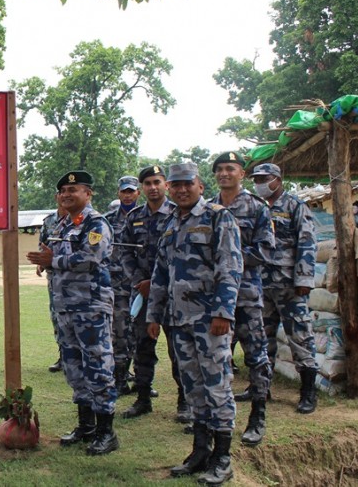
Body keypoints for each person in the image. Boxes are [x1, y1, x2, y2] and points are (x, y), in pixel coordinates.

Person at [147, 163, 242, 484]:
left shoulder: (218, 217)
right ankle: (200, 451)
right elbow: (160, 273)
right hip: (178, 322)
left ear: (200, 186)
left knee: (217, 385)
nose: (181, 189)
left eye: (187, 184)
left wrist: (223, 313)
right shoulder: (171, 224)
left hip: (209, 321)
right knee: (192, 387)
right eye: (176, 185)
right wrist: (153, 316)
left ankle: (223, 457)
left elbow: (230, 268)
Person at [27, 170, 119, 456]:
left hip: (90, 307)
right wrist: (45, 262)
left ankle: (107, 432)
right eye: (63, 191)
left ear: (88, 193)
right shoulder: (61, 225)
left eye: (74, 190)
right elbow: (52, 256)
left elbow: (92, 257)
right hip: (64, 307)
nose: (67, 195)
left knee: (98, 366)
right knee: (74, 367)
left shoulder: (96, 223)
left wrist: (54, 259)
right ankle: (86, 426)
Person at [210, 151, 275, 447]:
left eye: (230, 169)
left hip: (246, 296)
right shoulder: (207, 209)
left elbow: (264, 252)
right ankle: (216, 419)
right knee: (216, 360)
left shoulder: (257, 207)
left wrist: (228, 260)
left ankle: (257, 417)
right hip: (213, 299)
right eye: (220, 169)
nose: (225, 174)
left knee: (256, 358)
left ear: (242, 174)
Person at [120, 166, 191, 424]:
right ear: (142, 187)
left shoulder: (178, 214)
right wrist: (139, 281)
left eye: (157, 182)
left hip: (173, 293)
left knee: (178, 349)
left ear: (166, 185)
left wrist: (159, 282)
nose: (153, 187)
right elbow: (125, 252)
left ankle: (185, 402)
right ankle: (142, 398)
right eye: (148, 183)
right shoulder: (134, 217)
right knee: (142, 347)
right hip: (143, 293)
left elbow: (184, 256)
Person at [250, 163, 319, 413]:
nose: (259, 183)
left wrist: (303, 280)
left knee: (300, 337)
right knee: (261, 338)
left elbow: (307, 245)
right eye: (256, 179)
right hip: (261, 285)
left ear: (278, 179)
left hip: (290, 286)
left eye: (264, 178)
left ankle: (308, 392)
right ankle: (260, 388)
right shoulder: (256, 208)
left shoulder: (295, 206)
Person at [104, 176, 140, 397]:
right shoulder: (107, 220)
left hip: (140, 284)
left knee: (140, 333)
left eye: (131, 191)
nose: (127, 195)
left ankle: (142, 380)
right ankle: (120, 379)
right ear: (119, 193)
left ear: (138, 193)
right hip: (115, 284)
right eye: (124, 191)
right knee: (118, 332)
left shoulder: (145, 216)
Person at [38, 195, 68, 372]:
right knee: (57, 317)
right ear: (56, 197)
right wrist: (41, 262)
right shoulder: (49, 221)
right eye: (61, 192)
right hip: (54, 278)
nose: (65, 196)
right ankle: (64, 356)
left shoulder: (79, 220)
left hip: (75, 279)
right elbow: (42, 244)